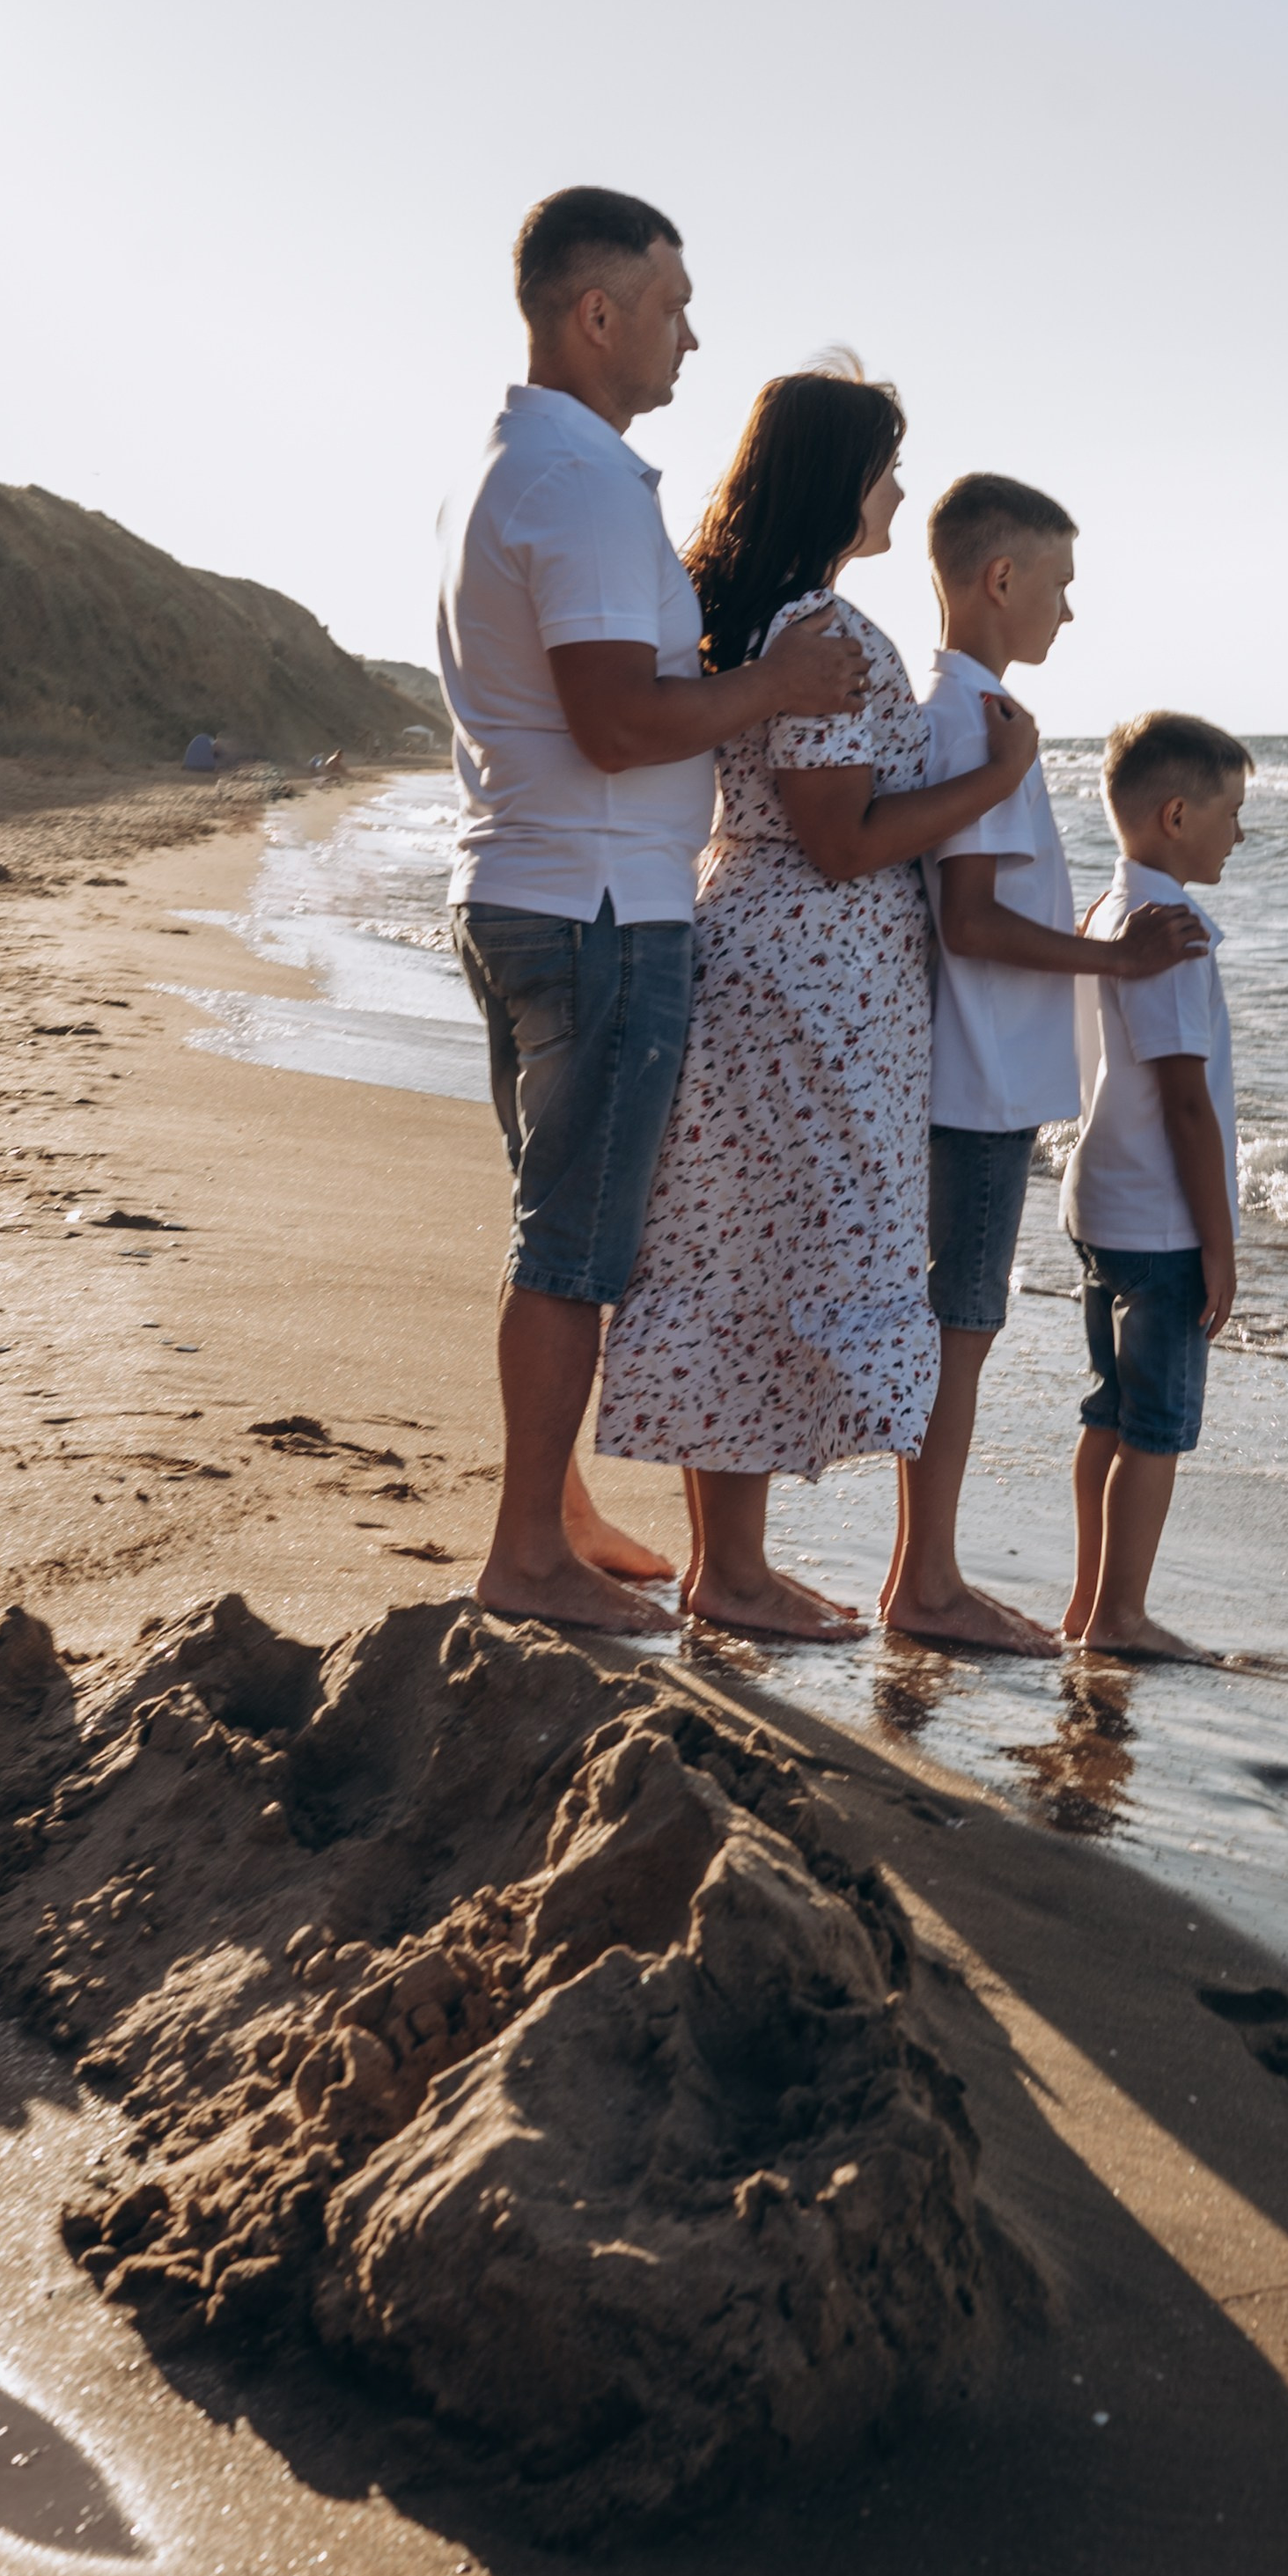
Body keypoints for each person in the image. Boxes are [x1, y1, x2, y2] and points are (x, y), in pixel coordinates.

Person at [439, 187, 869, 1632]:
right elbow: (619, 721)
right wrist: (776, 690)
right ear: (595, 312)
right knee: (572, 1250)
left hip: (528, 887)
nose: (693, 334)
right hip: (599, 910)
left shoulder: (518, 467)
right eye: (673, 305)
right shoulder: (569, 482)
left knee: (554, 1230)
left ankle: (553, 1516)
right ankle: (524, 1556)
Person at [596, 368, 1042, 1637]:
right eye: (885, 464)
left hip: (770, 963)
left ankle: (727, 1568)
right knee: (779, 1251)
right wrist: (997, 778)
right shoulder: (829, 637)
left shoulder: (756, 619)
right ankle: (730, 1574)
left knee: (740, 1250)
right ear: (840, 478)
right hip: (811, 982)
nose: (899, 487)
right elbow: (841, 839)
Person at [881, 475, 1208, 1650]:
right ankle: (924, 1584)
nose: (1069, 613)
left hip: (982, 1073)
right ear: (999, 579)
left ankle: (923, 1575)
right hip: (973, 1081)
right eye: (1058, 586)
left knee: (957, 1324)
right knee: (958, 1331)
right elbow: (968, 920)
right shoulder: (973, 723)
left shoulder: (977, 716)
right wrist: (1114, 968)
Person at [1061, 709, 1253, 1658]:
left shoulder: (1104, 915)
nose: (1240, 832)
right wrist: (1219, 1244)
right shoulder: (1170, 935)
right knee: (1157, 1427)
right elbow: (1186, 1105)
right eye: (1232, 811)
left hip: (1099, 1202)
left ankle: (1087, 1602)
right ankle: (1120, 1616)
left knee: (1109, 1411)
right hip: (1160, 1223)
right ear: (1177, 815)